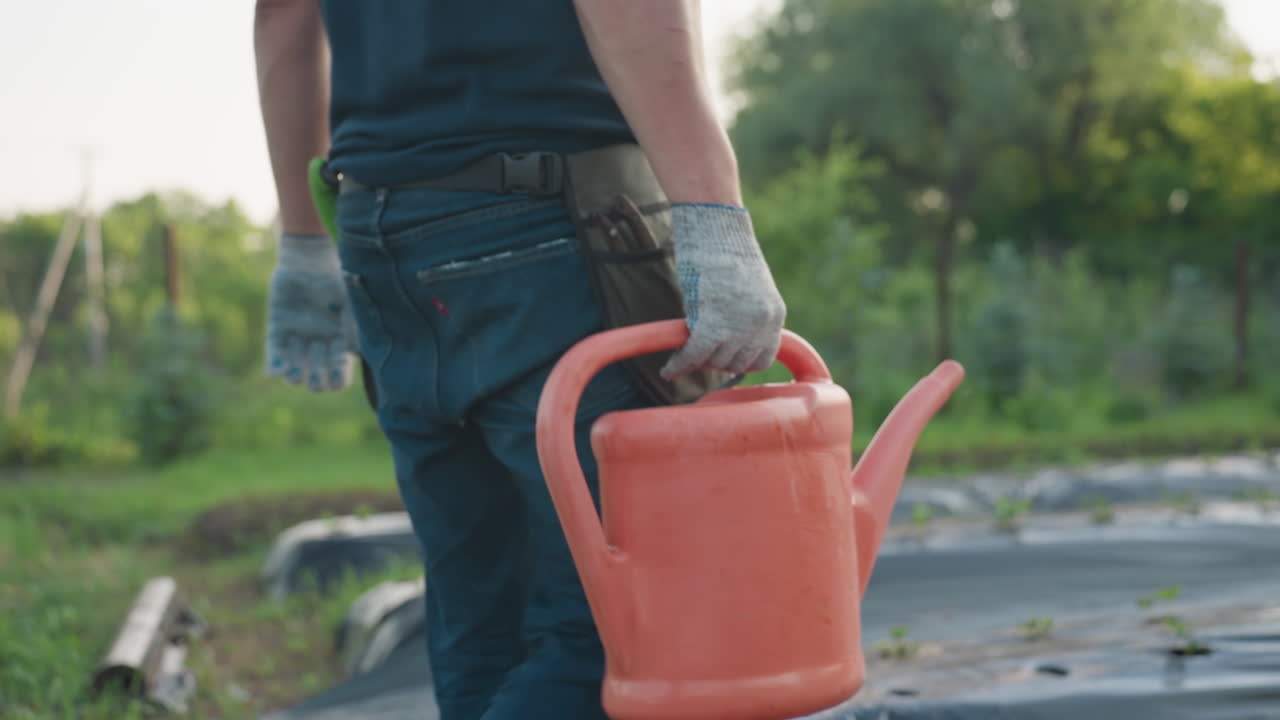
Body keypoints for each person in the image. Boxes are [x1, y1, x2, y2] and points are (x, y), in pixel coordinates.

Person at [253, 1, 786, 718]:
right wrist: (712, 205)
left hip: (383, 231)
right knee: (634, 630)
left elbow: (283, 11)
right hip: (553, 224)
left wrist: (304, 237)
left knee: (482, 621)